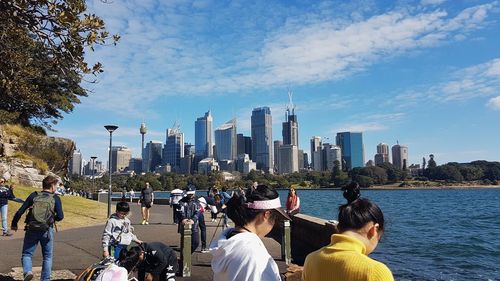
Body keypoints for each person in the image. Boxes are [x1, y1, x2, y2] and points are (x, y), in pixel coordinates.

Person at [302, 182, 394, 281]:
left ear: (339, 227)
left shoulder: (311, 260)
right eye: (379, 238)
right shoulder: (375, 272)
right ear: (374, 230)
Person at [210, 184, 291, 281]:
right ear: (267, 214)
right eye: (276, 218)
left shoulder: (227, 242)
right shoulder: (254, 256)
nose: (274, 223)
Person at [11, 175, 64, 281]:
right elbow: (61, 216)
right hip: (47, 230)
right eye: (56, 186)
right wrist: (52, 219)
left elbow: (20, 211)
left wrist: (14, 223)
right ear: (52, 186)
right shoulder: (55, 198)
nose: (56, 188)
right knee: (47, 257)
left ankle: (27, 271)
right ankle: (45, 279)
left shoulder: (34, 195)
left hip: (32, 228)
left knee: (27, 254)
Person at [179, 186, 200, 253]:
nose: (190, 195)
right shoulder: (182, 201)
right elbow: (179, 210)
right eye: (189, 193)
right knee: (183, 244)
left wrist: (193, 220)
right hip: (184, 225)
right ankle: (183, 259)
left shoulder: (197, 201)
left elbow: (198, 211)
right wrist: (183, 219)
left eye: (192, 193)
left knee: (196, 242)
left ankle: (188, 254)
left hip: (194, 226)